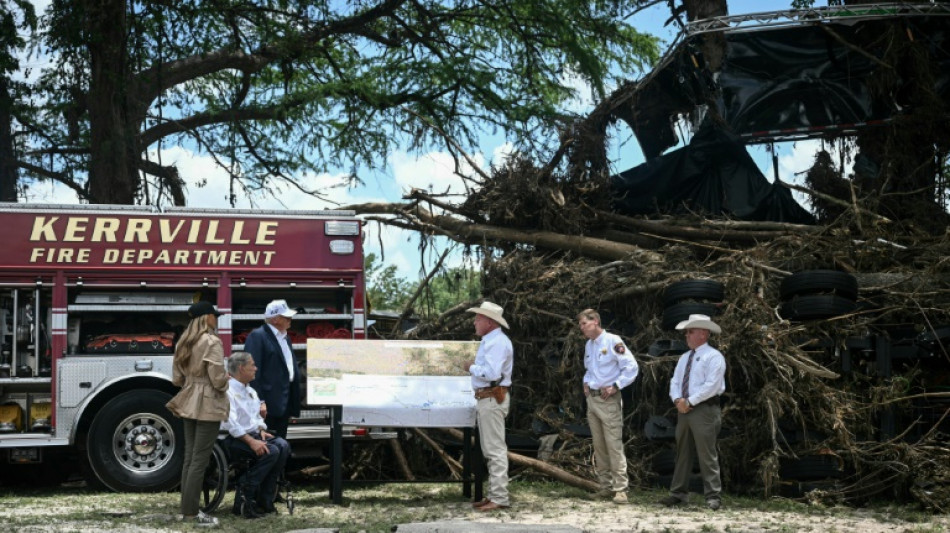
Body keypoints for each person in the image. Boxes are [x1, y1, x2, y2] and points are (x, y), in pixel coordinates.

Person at [166, 301, 229, 527]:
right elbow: (217, 378)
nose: (217, 319)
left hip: (189, 397)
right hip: (207, 401)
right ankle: (191, 513)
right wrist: (225, 381)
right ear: (206, 318)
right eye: (215, 316)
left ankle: (187, 509)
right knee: (200, 459)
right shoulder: (211, 341)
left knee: (190, 458)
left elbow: (177, 378)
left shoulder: (184, 341)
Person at [660, 314, 727, 511]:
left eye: (690, 332)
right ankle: (678, 493)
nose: (686, 336)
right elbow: (675, 381)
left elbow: (712, 386)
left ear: (703, 334)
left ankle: (713, 496)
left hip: (704, 410)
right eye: (687, 332)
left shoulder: (714, 357)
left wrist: (688, 401)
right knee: (683, 452)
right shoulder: (684, 357)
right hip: (685, 410)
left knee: (707, 453)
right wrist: (677, 400)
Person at [577, 309, 639, 504]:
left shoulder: (613, 341)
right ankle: (605, 486)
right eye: (580, 325)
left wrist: (616, 386)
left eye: (584, 324)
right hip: (593, 399)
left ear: (595, 321)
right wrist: (586, 382)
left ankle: (621, 489)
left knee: (613, 444)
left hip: (608, 400)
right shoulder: (589, 345)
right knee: (599, 445)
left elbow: (631, 367)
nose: (582, 328)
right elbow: (590, 370)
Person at [221, 351, 292, 519]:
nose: (256, 368)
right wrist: (252, 442)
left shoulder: (251, 391)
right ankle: (244, 497)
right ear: (241, 368)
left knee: (282, 446)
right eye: (252, 365)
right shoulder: (227, 391)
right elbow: (230, 424)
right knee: (271, 451)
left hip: (251, 434)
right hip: (232, 439)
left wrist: (261, 430)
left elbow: (255, 419)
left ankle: (265, 499)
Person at [462, 301, 514, 512]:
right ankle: (495, 494)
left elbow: (492, 374)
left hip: (492, 398)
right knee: (491, 448)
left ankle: (500, 496)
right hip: (489, 398)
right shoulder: (491, 340)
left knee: (494, 449)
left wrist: (471, 367)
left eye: (479, 318)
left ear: (490, 322)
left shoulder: (497, 342)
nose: (475, 322)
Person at [245, 299, 302, 439]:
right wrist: (259, 401)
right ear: (276, 319)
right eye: (287, 317)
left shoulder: (284, 338)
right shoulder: (258, 336)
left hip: (283, 401)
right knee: (268, 444)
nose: (290, 319)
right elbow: (251, 372)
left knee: (280, 441)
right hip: (268, 405)